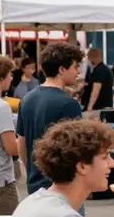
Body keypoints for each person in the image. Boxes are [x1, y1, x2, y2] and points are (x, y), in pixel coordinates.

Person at [17, 42, 84, 198]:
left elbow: (22, 144)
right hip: (63, 187)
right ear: (62, 69)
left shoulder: (26, 100)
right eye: (75, 67)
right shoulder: (69, 104)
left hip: (34, 186)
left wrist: (33, 171)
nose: (78, 72)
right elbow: (76, 150)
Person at [0, 54, 19, 215]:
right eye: (10, 74)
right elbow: (12, 148)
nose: (11, 78)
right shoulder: (1, 107)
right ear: (1, 78)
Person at [82, 47, 114, 114]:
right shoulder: (104, 69)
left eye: (88, 58)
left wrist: (89, 108)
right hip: (103, 108)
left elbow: (95, 90)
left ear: (91, 59)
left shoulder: (99, 71)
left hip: (98, 109)